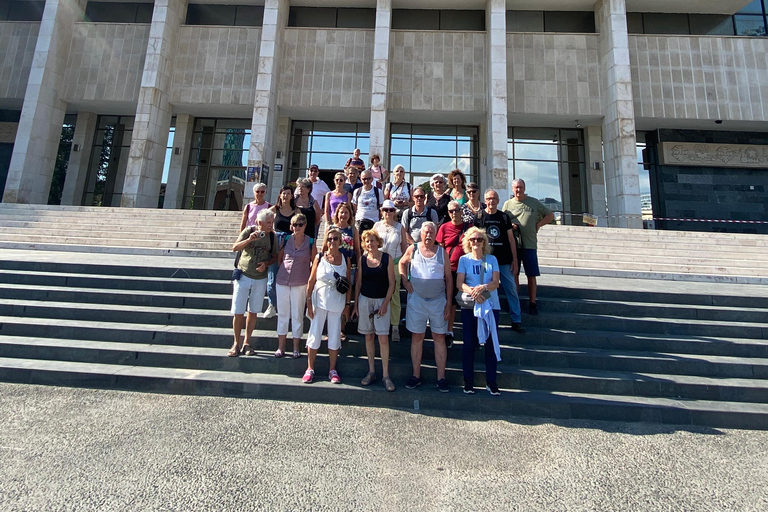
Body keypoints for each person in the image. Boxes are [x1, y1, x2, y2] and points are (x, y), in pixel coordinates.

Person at [399, 222, 453, 393]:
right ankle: (416, 375)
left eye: (431, 232)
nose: (428, 234)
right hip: (417, 301)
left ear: (435, 234)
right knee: (417, 337)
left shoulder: (442, 253)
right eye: (426, 232)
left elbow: (449, 280)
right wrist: (405, 280)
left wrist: (449, 304)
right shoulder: (413, 249)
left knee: (439, 338)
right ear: (420, 234)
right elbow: (401, 263)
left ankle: (441, 378)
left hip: (438, 302)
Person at [456, 227, 502, 396]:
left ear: (484, 242)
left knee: (490, 343)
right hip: (471, 306)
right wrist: (473, 292)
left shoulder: (492, 259)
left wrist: (482, 287)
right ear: (468, 242)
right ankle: (468, 381)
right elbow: (459, 283)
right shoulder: (464, 260)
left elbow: (496, 282)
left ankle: (491, 381)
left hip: (490, 306)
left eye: (479, 239)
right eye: (473, 239)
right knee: (469, 344)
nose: (476, 242)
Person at [303, 227, 351, 384]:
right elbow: (311, 280)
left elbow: (348, 283)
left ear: (340, 241)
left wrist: (347, 305)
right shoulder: (319, 257)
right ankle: (310, 368)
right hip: (320, 300)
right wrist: (308, 301)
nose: (332, 242)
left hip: (337, 301)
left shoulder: (346, 259)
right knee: (315, 333)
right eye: (329, 239)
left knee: (335, 335)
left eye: (335, 238)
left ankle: (332, 369)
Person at [229, 209, 278, 357]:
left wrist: (266, 264)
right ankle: (236, 343)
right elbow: (234, 247)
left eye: (272, 222)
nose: (270, 225)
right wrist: (249, 239)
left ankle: (247, 342)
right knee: (238, 311)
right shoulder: (248, 231)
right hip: (243, 275)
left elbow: (275, 256)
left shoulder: (272, 237)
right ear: (259, 223)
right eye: (268, 223)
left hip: (260, 278)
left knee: (253, 311)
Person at [502, 178, 555, 316]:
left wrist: (538, 224)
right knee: (514, 274)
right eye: (515, 188)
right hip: (513, 245)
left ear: (524, 188)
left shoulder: (534, 202)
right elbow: (503, 222)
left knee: (531, 274)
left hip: (530, 244)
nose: (518, 190)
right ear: (512, 189)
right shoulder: (507, 204)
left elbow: (550, 215)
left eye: (520, 187)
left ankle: (532, 303)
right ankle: (515, 302)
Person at [353, 229, 396, 392]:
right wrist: (356, 303)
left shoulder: (387, 258)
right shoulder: (363, 259)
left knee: (383, 338)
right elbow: (358, 283)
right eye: (367, 241)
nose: (369, 244)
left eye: (372, 240)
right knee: (369, 337)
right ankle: (371, 371)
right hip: (365, 300)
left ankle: (386, 375)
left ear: (378, 242)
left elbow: (392, 283)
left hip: (381, 302)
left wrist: (385, 303)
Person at [478, 189, 525, 333]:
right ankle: (485, 320)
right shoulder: (479, 217)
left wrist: (515, 260)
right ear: (485, 201)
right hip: (486, 261)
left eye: (494, 199)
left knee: (511, 290)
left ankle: (516, 320)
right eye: (488, 199)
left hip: (504, 261)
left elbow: (511, 239)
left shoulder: (504, 217)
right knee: (485, 290)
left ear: (498, 201)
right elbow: (474, 239)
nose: (491, 201)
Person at [275, 213, 316, 360]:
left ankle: (296, 347)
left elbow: (314, 263)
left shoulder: (310, 242)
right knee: (283, 314)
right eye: (295, 225)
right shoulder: (286, 239)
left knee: (297, 314)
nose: (297, 227)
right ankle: (281, 347)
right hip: (283, 280)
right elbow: (280, 259)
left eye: (300, 225)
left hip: (300, 281)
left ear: (305, 226)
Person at [373, 200, 408, 343]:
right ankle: (378, 325)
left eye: (391, 210)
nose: (388, 213)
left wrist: (404, 266)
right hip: (379, 264)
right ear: (381, 211)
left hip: (394, 263)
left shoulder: (400, 227)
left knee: (394, 296)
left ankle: (394, 327)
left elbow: (405, 247)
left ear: (395, 212)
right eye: (385, 210)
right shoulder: (376, 226)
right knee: (378, 294)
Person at [326, 202, 360, 341]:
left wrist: (359, 267)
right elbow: (324, 248)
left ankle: (342, 329)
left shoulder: (353, 230)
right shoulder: (331, 228)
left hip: (348, 268)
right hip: (333, 267)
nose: (343, 215)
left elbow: (357, 250)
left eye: (346, 212)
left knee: (345, 299)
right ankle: (330, 330)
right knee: (331, 298)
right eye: (341, 212)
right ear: (337, 214)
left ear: (350, 215)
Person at [264, 186, 298, 319]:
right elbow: (261, 220)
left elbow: (300, 225)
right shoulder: (274, 210)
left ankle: (287, 306)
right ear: (280, 195)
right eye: (284, 193)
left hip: (290, 246)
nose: (286, 196)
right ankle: (272, 305)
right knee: (272, 276)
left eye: (288, 194)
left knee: (289, 276)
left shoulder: (296, 211)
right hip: (275, 245)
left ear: (291, 196)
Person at [436, 200, 466, 348]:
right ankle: (444, 330)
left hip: (464, 271)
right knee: (448, 300)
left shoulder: (469, 228)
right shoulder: (443, 228)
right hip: (448, 270)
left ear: (461, 211)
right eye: (451, 211)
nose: (454, 213)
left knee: (456, 302)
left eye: (457, 210)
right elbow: (440, 249)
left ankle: (450, 331)